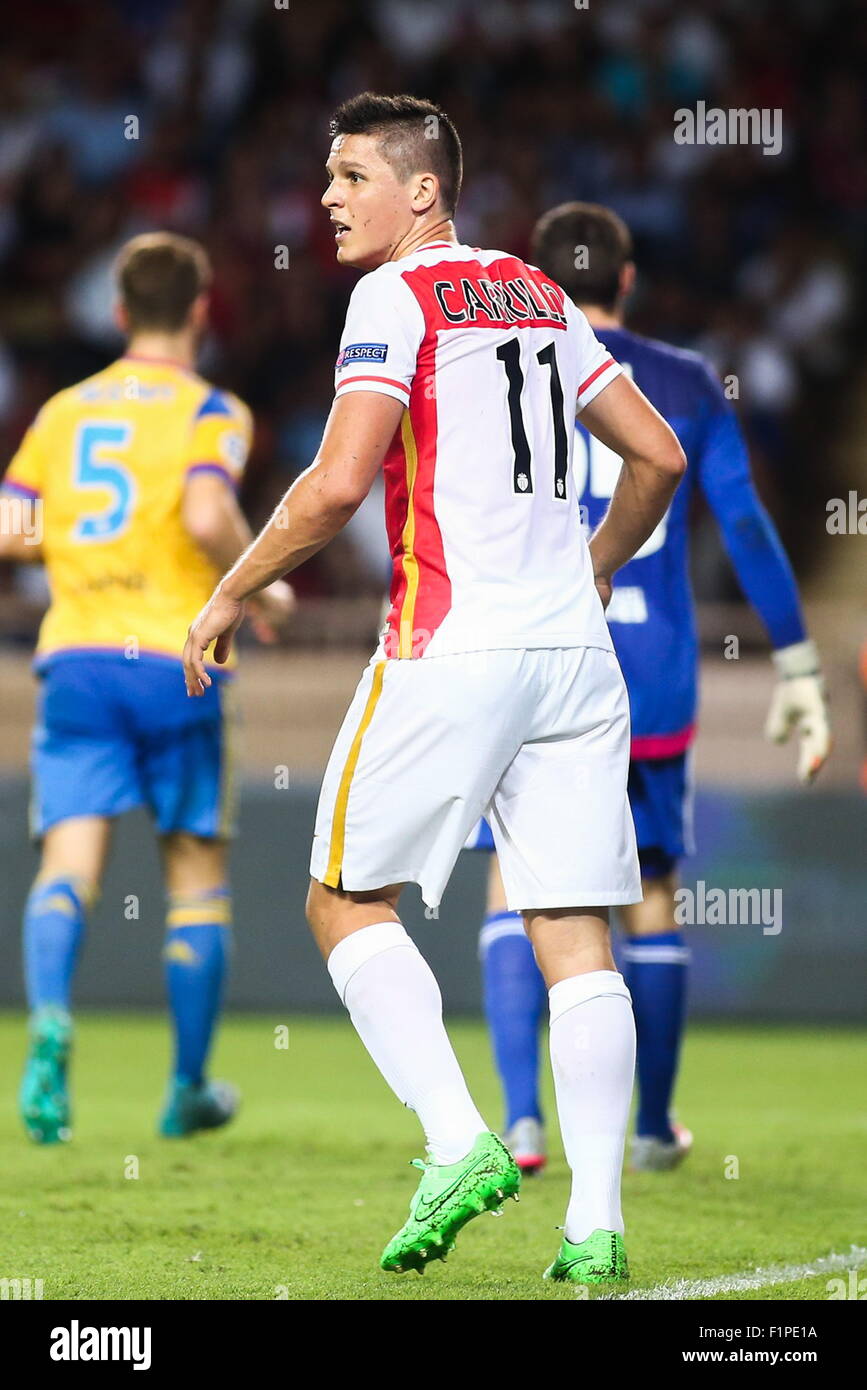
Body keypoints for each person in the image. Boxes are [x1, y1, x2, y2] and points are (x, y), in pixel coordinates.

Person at [183, 95, 686, 1286]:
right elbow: (660, 454)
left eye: (351, 174)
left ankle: (458, 1140)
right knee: (576, 932)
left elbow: (336, 483)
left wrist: (227, 593)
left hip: (451, 645)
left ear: (423, 192)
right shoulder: (541, 291)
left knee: (341, 901)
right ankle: (598, 1226)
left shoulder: (391, 296)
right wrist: (594, 562)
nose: (327, 198)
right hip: (576, 655)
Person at [469, 202, 831, 1177]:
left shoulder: (495, 365)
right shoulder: (680, 380)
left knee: (514, 880)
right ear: (626, 280)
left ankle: (521, 1121)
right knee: (651, 894)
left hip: (527, 663)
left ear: (535, 283)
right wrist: (796, 659)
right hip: (652, 675)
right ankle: (652, 1127)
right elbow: (746, 525)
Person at [0, 232, 293, 1144]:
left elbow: (11, 533)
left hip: (81, 659)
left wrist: (86, 545)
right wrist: (262, 584)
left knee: (68, 866)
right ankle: (186, 1087)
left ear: (119, 313)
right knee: (194, 879)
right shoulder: (215, 411)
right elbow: (206, 512)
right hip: (179, 663)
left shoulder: (63, 412)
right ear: (203, 310)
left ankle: (50, 1021)